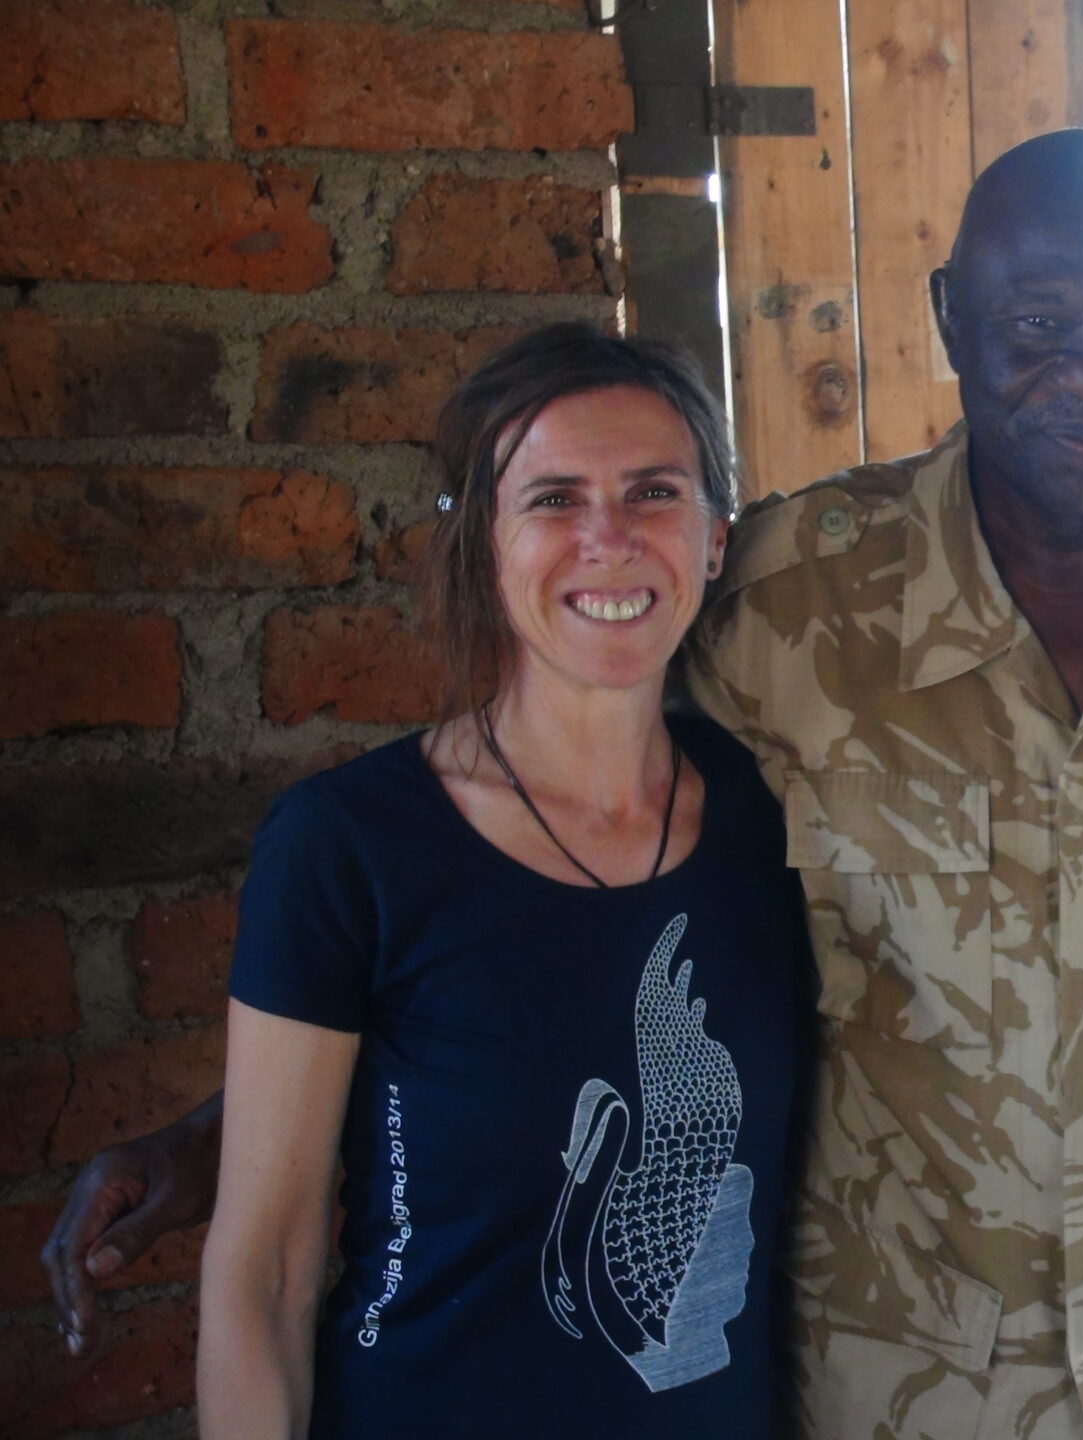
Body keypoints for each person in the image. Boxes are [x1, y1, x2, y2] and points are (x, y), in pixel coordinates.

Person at [44, 130, 1083, 1440]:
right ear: (951, 318)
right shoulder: (795, 599)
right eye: (1041, 324)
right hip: (915, 1382)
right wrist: (243, 1130)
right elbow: (549, 884)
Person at [192, 325, 810, 1436]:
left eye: (654, 492)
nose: (608, 539)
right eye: (554, 499)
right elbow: (265, 1272)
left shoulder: (771, 816)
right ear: (484, 543)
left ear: (715, 538)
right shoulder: (350, 847)